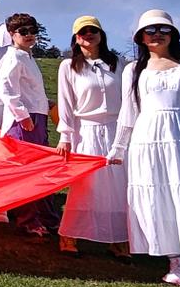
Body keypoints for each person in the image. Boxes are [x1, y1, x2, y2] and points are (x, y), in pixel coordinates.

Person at [108, 10, 180, 287]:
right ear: (141, 38)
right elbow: (128, 113)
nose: (157, 34)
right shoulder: (134, 70)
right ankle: (176, 263)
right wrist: (118, 148)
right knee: (159, 198)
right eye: (150, 30)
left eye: (163, 29)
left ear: (173, 34)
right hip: (147, 139)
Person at [55, 16, 129, 257]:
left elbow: (129, 99)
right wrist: (65, 135)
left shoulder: (118, 63)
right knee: (86, 186)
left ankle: (118, 239)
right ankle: (69, 234)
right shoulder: (69, 66)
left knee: (118, 184)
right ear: (76, 38)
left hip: (115, 129)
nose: (88, 35)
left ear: (101, 34)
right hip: (86, 130)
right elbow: (65, 103)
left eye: (93, 31)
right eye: (83, 32)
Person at [0, 12, 59, 238]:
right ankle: (27, 220)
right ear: (12, 34)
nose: (30, 35)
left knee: (40, 168)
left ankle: (45, 217)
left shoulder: (27, 56)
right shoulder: (12, 58)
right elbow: (7, 90)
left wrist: (45, 102)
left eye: (33, 31)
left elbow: (29, 90)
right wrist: (23, 116)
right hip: (22, 121)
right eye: (23, 32)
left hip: (37, 116)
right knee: (27, 170)